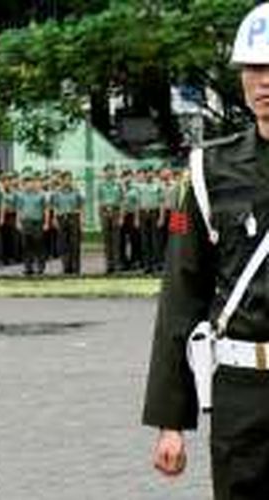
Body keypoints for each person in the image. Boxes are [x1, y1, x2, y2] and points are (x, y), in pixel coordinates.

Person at [143, 4, 269, 499]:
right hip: (241, 390)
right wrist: (170, 422)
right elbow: (182, 294)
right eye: (254, 68)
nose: (264, 82)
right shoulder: (206, 171)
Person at [51, 171, 84, 274]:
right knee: (63, 244)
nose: (67, 181)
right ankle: (66, 266)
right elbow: (55, 206)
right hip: (62, 217)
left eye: (69, 179)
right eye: (65, 179)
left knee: (74, 244)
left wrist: (81, 220)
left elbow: (81, 206)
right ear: (61, 180)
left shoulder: (76, 192)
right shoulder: (57, 192)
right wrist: (55, 218)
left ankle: (75, 267)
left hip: (73, 216)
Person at [17, 172, 49, 275]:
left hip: (37, 222)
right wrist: (18, 222)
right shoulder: (21, 196)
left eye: (30, 182)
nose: (28, 184)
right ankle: (28, 267)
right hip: (26, 222)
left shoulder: (40, 195)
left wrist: (46, 223)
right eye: (26, 182)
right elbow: (19, 209)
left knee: (39, 245)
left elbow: (46, 210)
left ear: (34, 183)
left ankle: (40, 267)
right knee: (26, 246)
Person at [98, 164, 123, 273]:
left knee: (116, 240)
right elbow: (99, 201)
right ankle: (109, 265)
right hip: (105, 212)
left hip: (115, 211)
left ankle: (117, 265)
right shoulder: (101, 186)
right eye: (108, 171)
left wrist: (121, 216)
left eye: (112, 171)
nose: (110, 173)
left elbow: (122, 202)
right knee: (106, 240)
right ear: (105, 173)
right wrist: (100, 216)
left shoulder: (118, 185)